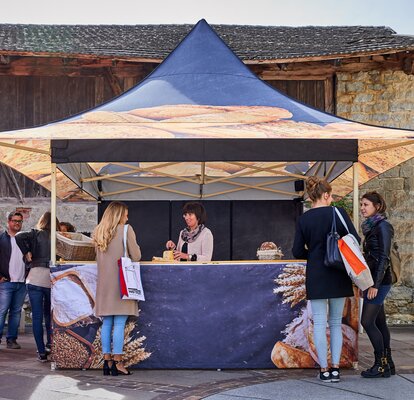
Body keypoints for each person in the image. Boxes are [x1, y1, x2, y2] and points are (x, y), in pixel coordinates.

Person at [292, 176, 359, 383]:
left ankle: (323, 369)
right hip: (338, 273)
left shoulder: (304, 219)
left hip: (317, 275)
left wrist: (313, 255)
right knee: (336, 322)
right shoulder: (338, 213)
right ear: (326, 194)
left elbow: (296, 251)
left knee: (319, 323)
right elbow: (354, 240)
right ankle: (336, 368)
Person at [93, 201, 141, 376]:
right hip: (122, 284)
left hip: (104, 284)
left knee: (107, 323)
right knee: (119, 323)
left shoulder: (98, 232)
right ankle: (118, 362)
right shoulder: (126, 230)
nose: (127, 217)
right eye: (125, 214)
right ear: (119, 215)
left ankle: (106, 362)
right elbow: (136, 255)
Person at [360, 191, 394, 378]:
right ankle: (388, 364)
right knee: (379, 321)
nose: (362, 208)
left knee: (367, 321)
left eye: (366, 205)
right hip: (373, 280)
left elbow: (384, 258)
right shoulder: (372, 227)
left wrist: (374, 285)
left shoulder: (383, 227)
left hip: (379, 282)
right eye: (362, 204)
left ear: (377, 206)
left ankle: (380, 365)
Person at [16, 211, 58, 362]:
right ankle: (50, 345)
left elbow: (19, 235)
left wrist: (26, 251)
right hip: (50, 280)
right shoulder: (58, 236)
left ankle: (41, 352)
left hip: (34, 279)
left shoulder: (35, 233)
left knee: (37, 318)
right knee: (49, 316)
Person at [0, 212, 26, 350]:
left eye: (20, 221)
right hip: (6, 282)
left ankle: (11, 340)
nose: (17, 223)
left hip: (21, 282)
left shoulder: (24, 239)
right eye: (15, 220)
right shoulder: (1, 239)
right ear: (9, 222)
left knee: (16, 312)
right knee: (2, 311)